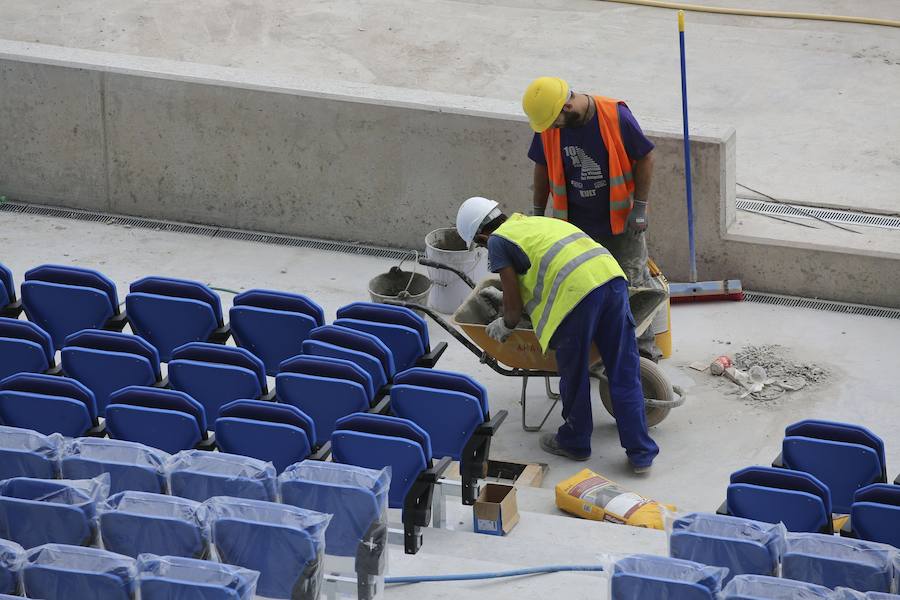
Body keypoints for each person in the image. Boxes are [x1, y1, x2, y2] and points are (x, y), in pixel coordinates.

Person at [455, 196, 659, 472]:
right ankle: (641, 453)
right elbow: (543, 268)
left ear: (481, 236)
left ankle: (575, 441)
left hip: (577, 296)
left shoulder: (497, 242)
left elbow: (513, 306)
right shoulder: (532, 223)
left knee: (574, 373)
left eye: (480, 245)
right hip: (612, 280)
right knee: (624, 370)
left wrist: (506, 324)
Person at [522, 76, 663, 361]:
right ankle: (598, 352)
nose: (552, 129)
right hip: (574, 226)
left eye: (554, 122)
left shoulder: (616, 116)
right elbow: (542, 166)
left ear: (567, 106)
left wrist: (640, 207)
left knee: (633, 286)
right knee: (580, 288)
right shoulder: (550, 124)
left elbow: (646, 157)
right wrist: (537, 213)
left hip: (620, 223)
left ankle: (644, 356)